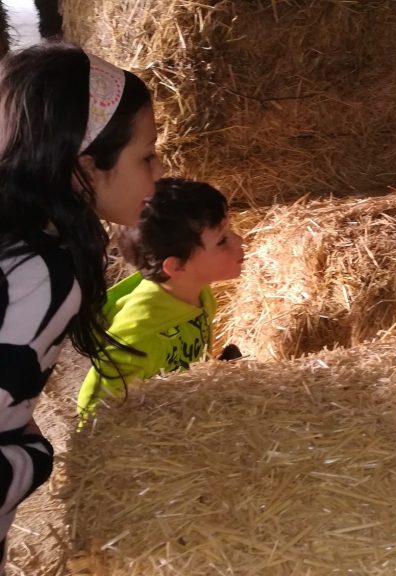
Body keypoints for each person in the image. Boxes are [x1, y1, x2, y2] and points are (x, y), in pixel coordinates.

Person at [0, 43, 163, 569]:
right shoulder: (41, 277)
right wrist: (33, 457)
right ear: (85, 167)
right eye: (147, 155)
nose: (159, 173)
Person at [76, 178, 244, 422]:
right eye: (222, 240)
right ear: (175, 265)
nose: (240, 240)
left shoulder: (200, 294)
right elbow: (94, 407)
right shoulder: (139, 332)